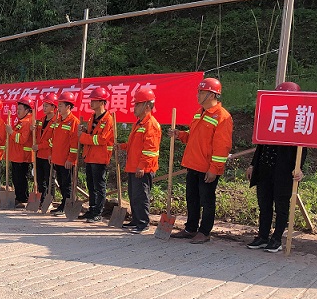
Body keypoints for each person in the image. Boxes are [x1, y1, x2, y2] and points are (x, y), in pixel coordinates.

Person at [170, 77, 233, 244]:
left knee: (207, 201)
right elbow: (194, 137)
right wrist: (180, 134)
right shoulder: (200, 113)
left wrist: (214, 169)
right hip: (193, 164)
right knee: (192, 199)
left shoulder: (222, 116)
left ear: (212, 95)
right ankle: (191, 228)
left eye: (201, 92)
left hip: (207, 168)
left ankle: (204, 232)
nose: (197, 95)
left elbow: (222, 147)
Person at [246, 81, 307, 253]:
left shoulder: (298, 120)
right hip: (265, 169)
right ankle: (263, 236)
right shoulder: (270, 116)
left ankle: (277, 239)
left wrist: (299, 168)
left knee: (281, 205)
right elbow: (260, 144)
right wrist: (253, 164)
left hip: (283, 172)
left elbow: (302, 149)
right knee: (264, 204)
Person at [120, 87, 161, 233]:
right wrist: (122, 146)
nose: (135, 107)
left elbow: (150, 149)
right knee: (134, 195)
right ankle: (136, 220)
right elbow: (135, 145)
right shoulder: (139, 123)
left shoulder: (151, 125)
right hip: (134, 166)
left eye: (138, 104)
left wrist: (142, 166)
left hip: (143, 168)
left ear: (147, 106)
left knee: (141, 196)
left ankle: (143, 223)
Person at [78, 87, 115, 222]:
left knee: (99, 186)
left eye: (94, 100)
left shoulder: (108, 120)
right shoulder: (92, 118)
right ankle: (92, 209)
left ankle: (98, 212)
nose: (91, 103)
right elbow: (92, 135)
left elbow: (101, 139)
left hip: (100, 157)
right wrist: (84, 131)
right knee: (91, 185)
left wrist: (83, 137)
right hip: (90, 156)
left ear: (102, 102)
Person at [49, 91, 80, 216]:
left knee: (67, 185)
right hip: (57, 158)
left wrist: (71, 159)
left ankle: (67, 206)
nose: (58, 108)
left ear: (68, 107)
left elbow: (74, 144)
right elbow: (54, 140)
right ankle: (63, 204)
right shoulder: (58, 121)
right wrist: (51, 154)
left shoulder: (74, 122)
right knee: (61, 184)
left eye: (61, 105)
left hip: (66, 161)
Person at [8, 96, 34, 209]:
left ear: (27, 110)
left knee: (20, 178)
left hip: (22, 156)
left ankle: (23, 198)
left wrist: (11, 132)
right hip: (17, 155)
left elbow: (22, 139)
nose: (17, 111)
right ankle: (19, 197)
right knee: (17, 178)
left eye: (20, 109)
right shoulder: (22, 121)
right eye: (17, 109)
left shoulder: (27, 122)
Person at [34, 93, 58, 208]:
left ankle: (50, 200)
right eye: (43, 105)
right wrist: (33, 129)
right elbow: (38, 135)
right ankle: (42, 200)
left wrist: (39, 146)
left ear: (53, 107)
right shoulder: (42, 120)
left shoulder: (56, 121)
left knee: (49, 179)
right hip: (39, 154)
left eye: (47, 106)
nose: (44, 108)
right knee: (40, 179)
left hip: (49, 154)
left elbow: (53, 140)